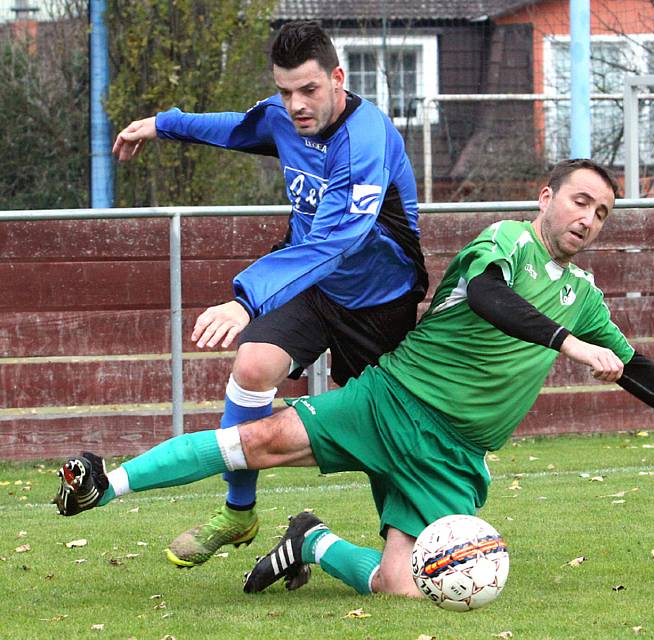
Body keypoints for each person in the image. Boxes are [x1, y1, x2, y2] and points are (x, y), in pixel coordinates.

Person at [54, 159, 654, 599]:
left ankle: (309, 542)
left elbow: (638, 369)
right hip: (393, 400)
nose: (589, 218)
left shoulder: (584, 297)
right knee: (258, 438)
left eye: (603, 213)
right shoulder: (507, 241)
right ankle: (101, 486)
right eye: (580, 200)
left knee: (402, 585)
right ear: (546, 196)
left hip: (454, 457)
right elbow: (492, 298)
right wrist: (570, 346)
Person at [110, 21, 428, 568]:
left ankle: (413, 544)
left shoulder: (367, 137)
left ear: (337, 78)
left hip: (379, 304)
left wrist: (246, 298)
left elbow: (335, 241)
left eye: (308, 89)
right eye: (285, 91)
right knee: (252, 367)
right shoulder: (284, 116)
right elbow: (239, 126)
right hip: (311, 287)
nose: (296, 104)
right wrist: (162, 125)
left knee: (390, 438)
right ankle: (238, 512)